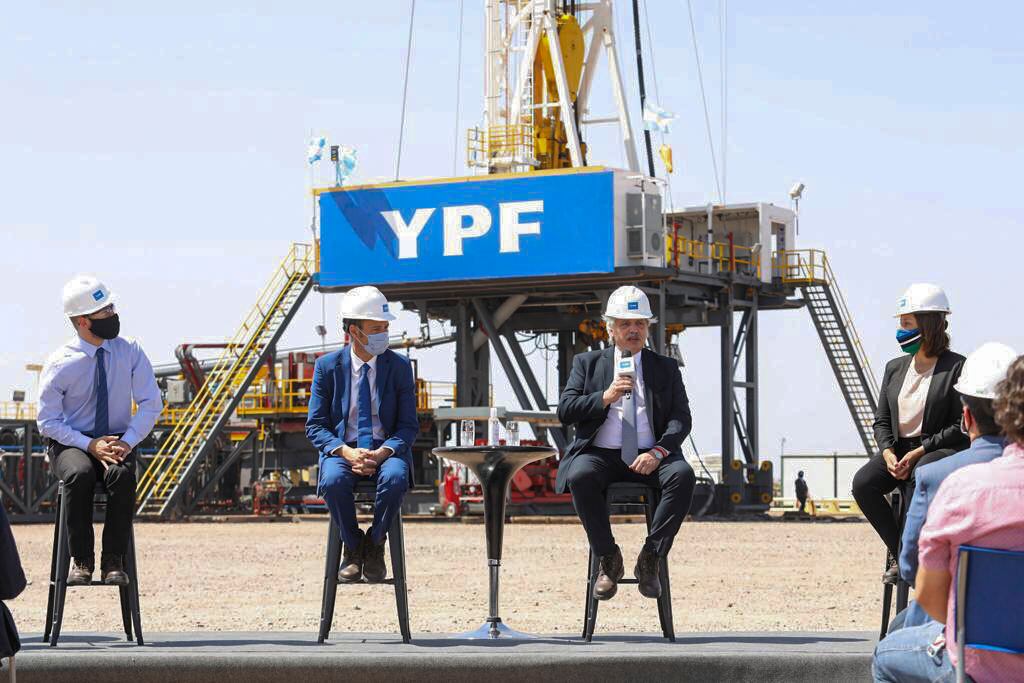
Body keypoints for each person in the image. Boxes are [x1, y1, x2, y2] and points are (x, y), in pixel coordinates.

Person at [872, 354, 1024, 683]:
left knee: (886, 654)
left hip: (975, 664)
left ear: (966, 417)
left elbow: (921, 583)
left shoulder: (954, 485)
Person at [556, 285, 696, 601]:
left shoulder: (666, 368)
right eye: (625, 324)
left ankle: (651, 558)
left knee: (683, 475)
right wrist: (605, 397)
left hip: (651, 454)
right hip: (602, 454)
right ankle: (608, 559)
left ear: (648, 328)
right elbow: (565, 411)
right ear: (611, 329)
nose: (634, 330)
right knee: (580, 475)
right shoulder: (587, 364)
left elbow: (681, 419)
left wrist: (658, 452)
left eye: (640, 324)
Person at [37, 276, 162, 587]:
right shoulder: (60, 363)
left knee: (122, 477)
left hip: (117, 440)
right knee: (79, 475)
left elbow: (151, 403)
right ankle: (81, 560)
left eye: (111, 307)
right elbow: (47, 421)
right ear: (83, 321)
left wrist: (128, 442)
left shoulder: (130, 351)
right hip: (71, 442)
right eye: (104, 311)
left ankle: (113, 561)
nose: (113, 314)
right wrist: (89, 444)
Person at [852, 283, 968, 583]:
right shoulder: (894, 368)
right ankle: (902, 553)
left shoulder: (956, 367)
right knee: (863, 484)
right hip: (898, 450)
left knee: (922, 474)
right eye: (900, 324)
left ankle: (911, 557)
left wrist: (919, 452)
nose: (900, 332)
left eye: (907, 324)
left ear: (928, 325)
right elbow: (881, 420)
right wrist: (888, 453)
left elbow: (960, 424)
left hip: (935, 449)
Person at [306, 286, 418, 583]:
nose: (384, 334)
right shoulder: (327, 368)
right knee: (332, 481)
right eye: (376, 329)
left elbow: (408, 426)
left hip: (386, 449)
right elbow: (315, 425)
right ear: (354, 331)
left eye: (386, 328)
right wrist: (346, 452)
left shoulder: (399, 367)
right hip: (343, 448)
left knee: (396, 479)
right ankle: (353, 546)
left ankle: (376, 543)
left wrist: (381, 453)